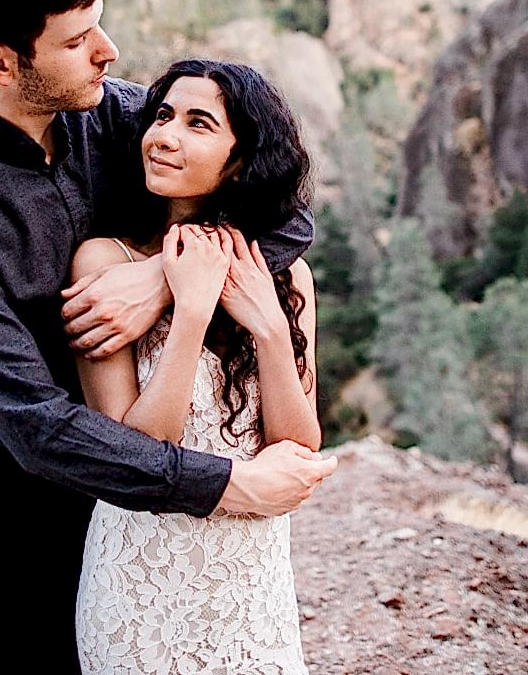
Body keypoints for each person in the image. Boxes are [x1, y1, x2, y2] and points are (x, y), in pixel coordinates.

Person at [0, 0, 336, 675]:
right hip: (17, 483)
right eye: (78, 40)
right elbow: (40, 426)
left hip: (156, 436)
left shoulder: (124, 118)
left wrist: (158, 276)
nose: (109, 52)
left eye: (100, 26)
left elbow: (280, 213)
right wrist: (226, 486)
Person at [71, 60, 320, 674]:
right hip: (142, 576)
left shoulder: (285, 276)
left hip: (250, 575)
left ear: (239, 160)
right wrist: (189, 313)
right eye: (162, 116)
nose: (164, 136)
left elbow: (297, 442)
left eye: (198, 123)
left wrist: (266, 326)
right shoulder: (105, 263)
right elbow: (135, 447)